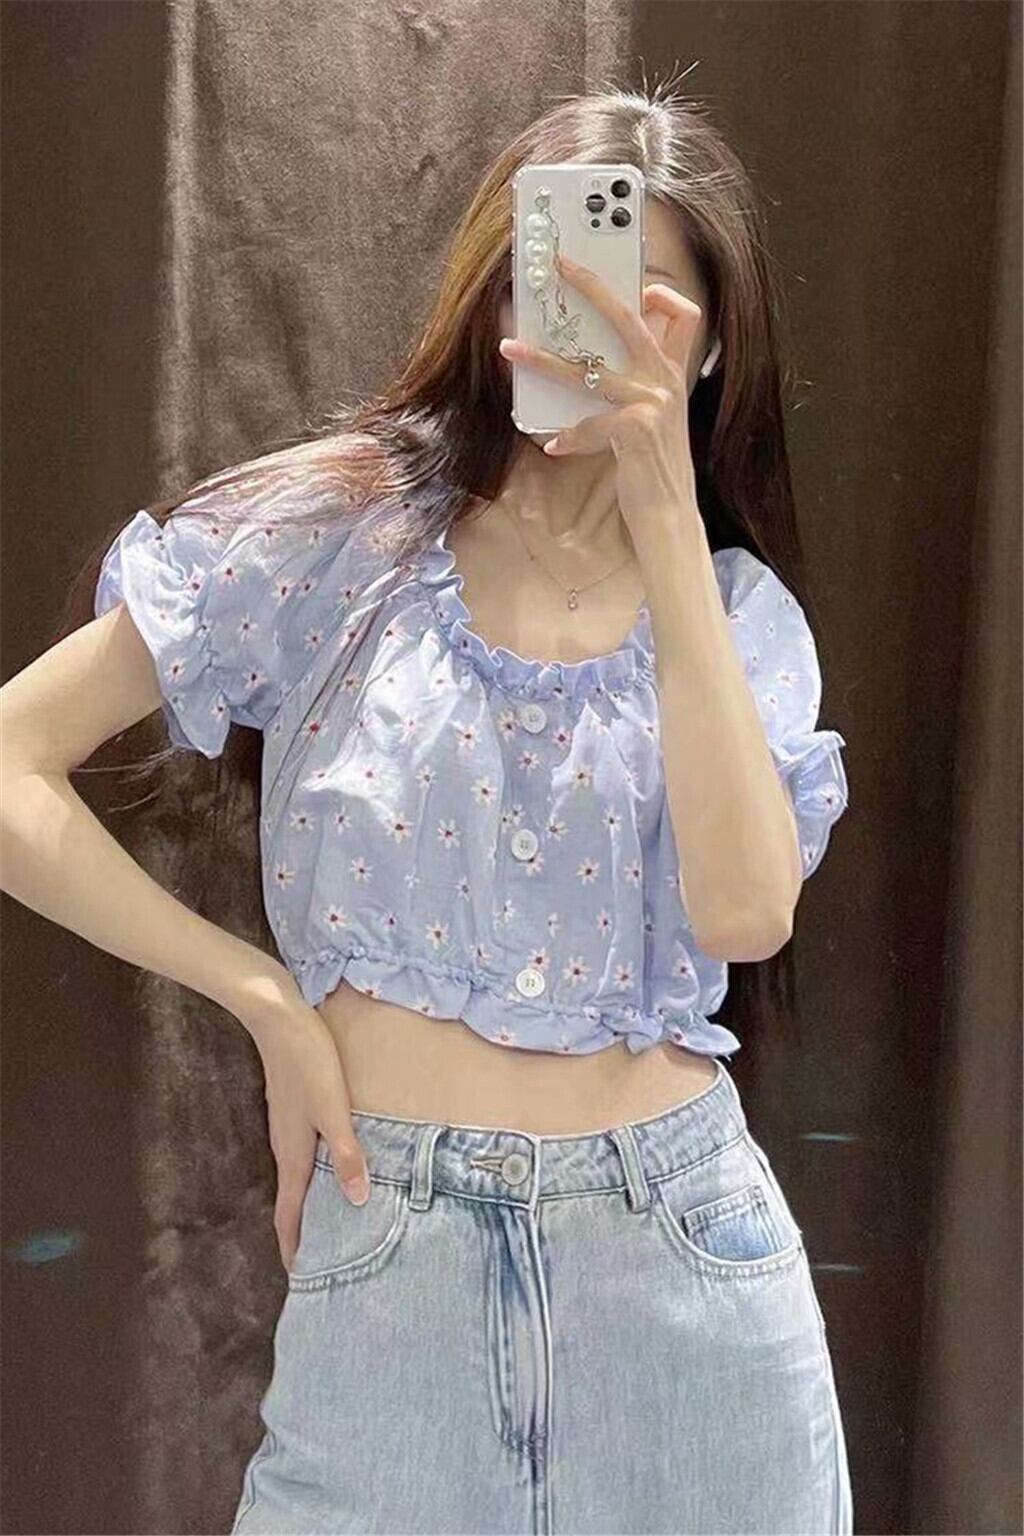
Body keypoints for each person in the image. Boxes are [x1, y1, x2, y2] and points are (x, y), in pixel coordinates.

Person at [0, 81, 853, 1535]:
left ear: (712, 348)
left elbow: (745, 914)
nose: (601, 328)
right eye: (565, 279)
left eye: (651, 305)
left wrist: (660, 514)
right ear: (499, 300)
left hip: (684, 1276)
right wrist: (263, 998)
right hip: (391, 1269)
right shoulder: (340, 538)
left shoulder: (735, 619)